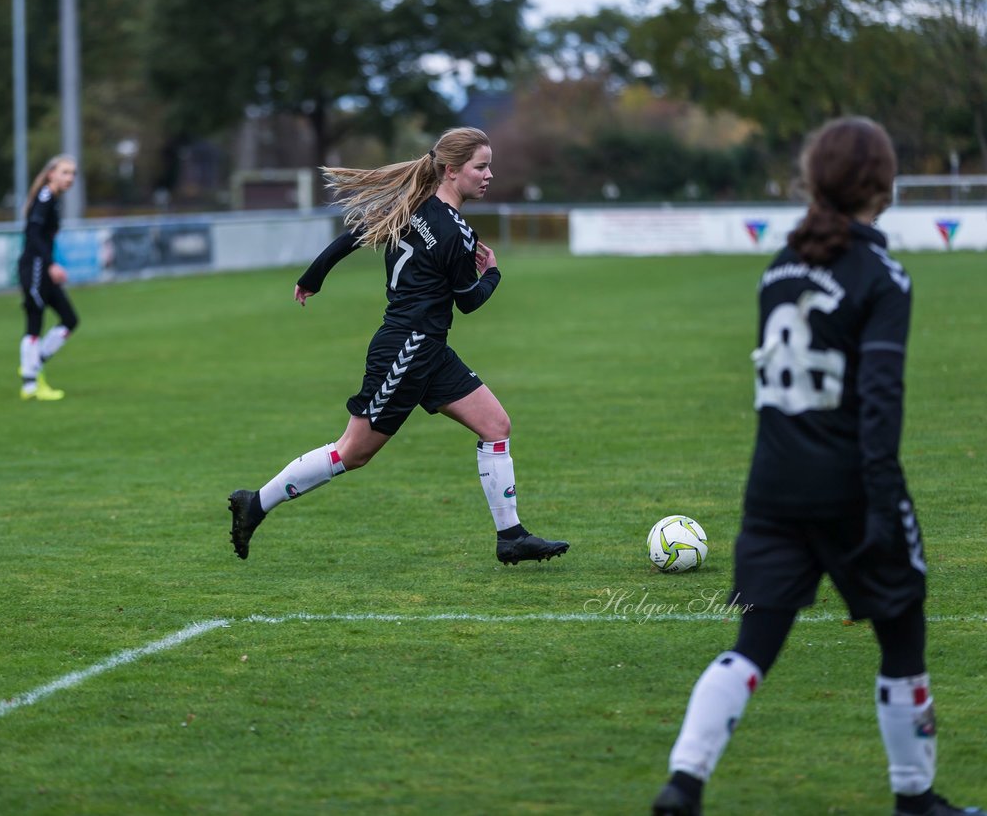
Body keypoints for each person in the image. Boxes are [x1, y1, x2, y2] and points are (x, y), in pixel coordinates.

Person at [651, 118, 981, 816]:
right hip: (852, 487)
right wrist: (885, 506)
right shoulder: (882, 275)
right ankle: (915, 799)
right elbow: (879, 406)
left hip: (772, 486)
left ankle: (684, 782)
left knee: (755, 644)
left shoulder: (781, 267)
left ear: (814, 181)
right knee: (903, 634)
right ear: (883, 185)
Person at [227, 127, 570, 565]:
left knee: (496, 426)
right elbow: (468, 302)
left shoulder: (411, 206)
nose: (488, 175)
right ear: (451, 171)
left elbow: (349, 238)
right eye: (480, 167)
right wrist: (494, 274)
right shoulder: (457, 234)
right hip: (406, 351)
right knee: (352, 452)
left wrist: (313, 277)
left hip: (428, 350)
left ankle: (511, 536)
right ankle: (254, 503)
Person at [18, 154, 80, 401]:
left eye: (73, 173)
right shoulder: (45, 197)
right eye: (65, 172)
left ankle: (34, 363)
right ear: (51, 173)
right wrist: (50, 263)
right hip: (34, 267)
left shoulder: (52, 200)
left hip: (43, 268)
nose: (70, 178)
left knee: (70, 319)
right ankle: (30, 385)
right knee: (34, 321)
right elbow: (32, 232)